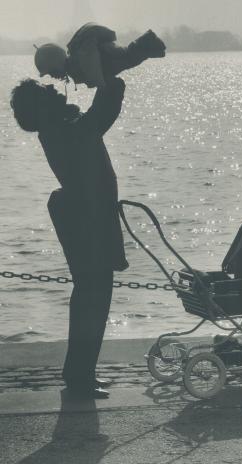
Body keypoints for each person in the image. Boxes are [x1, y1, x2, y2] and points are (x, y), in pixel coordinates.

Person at [10, 77, 129, 398]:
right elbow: (99, 118)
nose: (50, 89)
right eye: (42, 92)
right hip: (85, 220)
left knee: (91, 294)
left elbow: (94, 120)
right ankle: (80, 377)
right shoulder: (64, 130)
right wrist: (110, 80)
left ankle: (80, 372)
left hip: (83, 217)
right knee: (94, 295)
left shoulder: (60, 127)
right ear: (41, 107)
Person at [34, 22, 166, 88]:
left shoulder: (81, 55)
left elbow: (92, 67)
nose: (52, 76)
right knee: (128, 58)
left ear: (56, 63)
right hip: (108, 56)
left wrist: (101, 86)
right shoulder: (76, 59)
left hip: (108, 55)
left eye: (51, 72)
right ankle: (150, 42)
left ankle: (149, 40)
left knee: (127, 57)